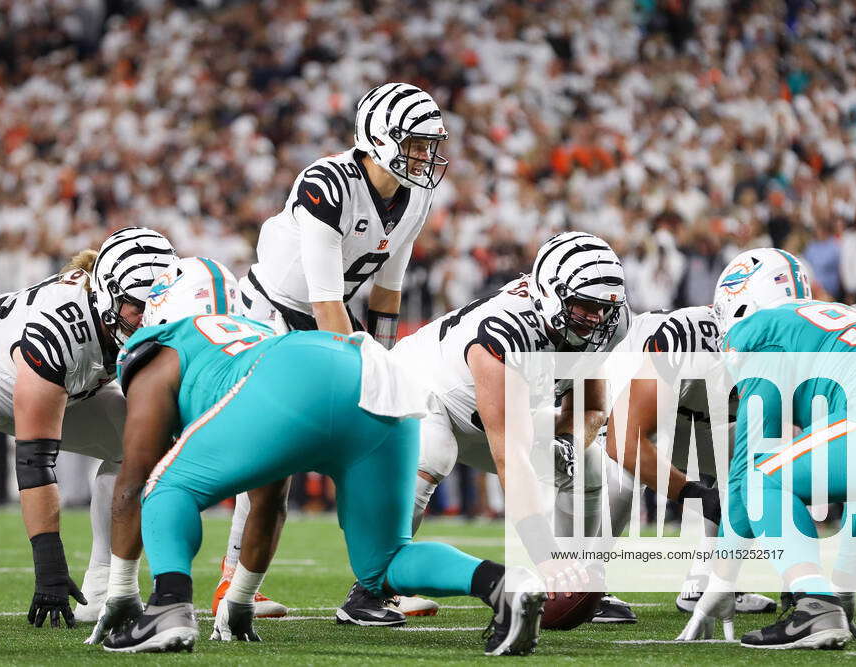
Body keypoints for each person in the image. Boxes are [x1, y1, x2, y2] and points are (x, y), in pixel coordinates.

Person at [85, 257, 546, 656]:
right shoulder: (252, 335)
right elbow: (269, 497)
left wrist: (123, 590)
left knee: (166, 486)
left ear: (163, 307)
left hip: (296, 375)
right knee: (383, 565)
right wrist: (240, 602)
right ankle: (502, 584)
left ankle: (167, 606)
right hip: (373, 373)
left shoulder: (167, 344)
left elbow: (134, 480)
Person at [219, 81, 449, 620]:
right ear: (380, 138)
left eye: (428, 145)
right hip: (270, 316)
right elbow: (325, 301)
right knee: (273, 456)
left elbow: (388, 290)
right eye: (415, 144)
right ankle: (233, 583)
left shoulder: (413, 196)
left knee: (387, 437)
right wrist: (365, 374)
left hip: (326, 314)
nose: (426, 156)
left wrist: (388, 361)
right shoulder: (327, 184)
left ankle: (376, 584)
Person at [334, 232, 634, 625]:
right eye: (584, 305)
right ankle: (369, 589)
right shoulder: (504, 329)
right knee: (434, 452)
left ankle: (580, 580)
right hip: (425, 389)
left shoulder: (612, 324)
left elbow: (592, 407)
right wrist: (544, 557)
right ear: (549, 293)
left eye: (602, 308)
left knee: (590, 463)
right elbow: (511, 456)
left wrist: (570, 442)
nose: (595, 319)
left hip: (496, 411)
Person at [0, 226, 175, 627]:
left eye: (159, 303)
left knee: (144, 446)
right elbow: (34, 461)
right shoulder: (59, 330)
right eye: (138, 305)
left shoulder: (143, 313)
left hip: (55, 383)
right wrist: (49, 562)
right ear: (109, 294)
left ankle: (102, 588)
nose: (150, 316)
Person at [678, 248, 856, 649]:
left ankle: (813, 604)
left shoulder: (763, 328)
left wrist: (722, 577)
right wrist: (845, 588)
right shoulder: (841, 322)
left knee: (762, 477)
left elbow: (748, 461)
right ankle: (824, 599)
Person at [601, 304, 775, 615]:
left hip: (695, 417)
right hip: (628, 412)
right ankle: (583, 585)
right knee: (620, 478)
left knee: (764, 462)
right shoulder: (688, 338)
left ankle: (709, 581)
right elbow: (623, 442)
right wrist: (695, 495)